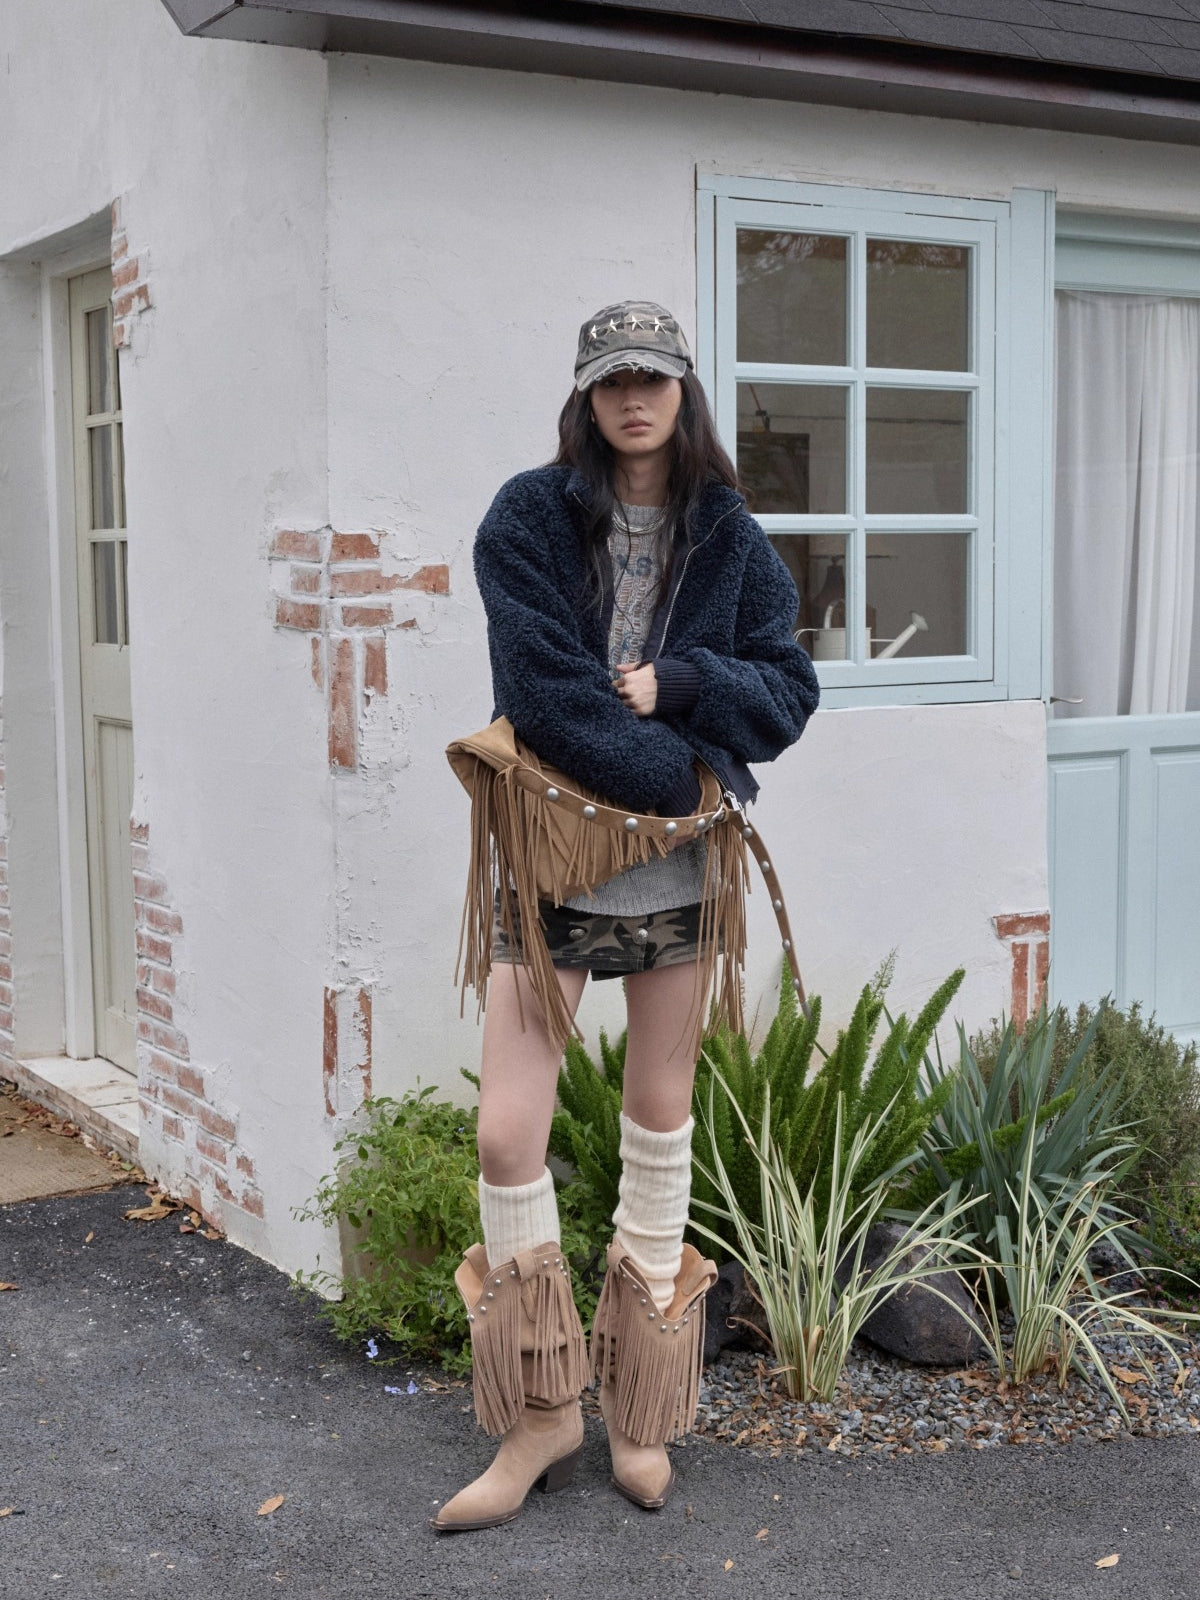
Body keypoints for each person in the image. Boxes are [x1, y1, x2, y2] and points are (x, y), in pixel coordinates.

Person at [433, 301, 819, 1533]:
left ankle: (641, 1414)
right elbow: (538, 688)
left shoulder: (734, 539)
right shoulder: (526, 517)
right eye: (613, 381)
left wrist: (688, 684)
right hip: (549, 868)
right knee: (507, 1135)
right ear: (586, 397)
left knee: (660, 1124)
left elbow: (787, 689)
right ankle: (542, 1411)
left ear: (682, 390)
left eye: (653, 377)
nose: (634, 398)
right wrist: (669, 775)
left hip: (677, 886)